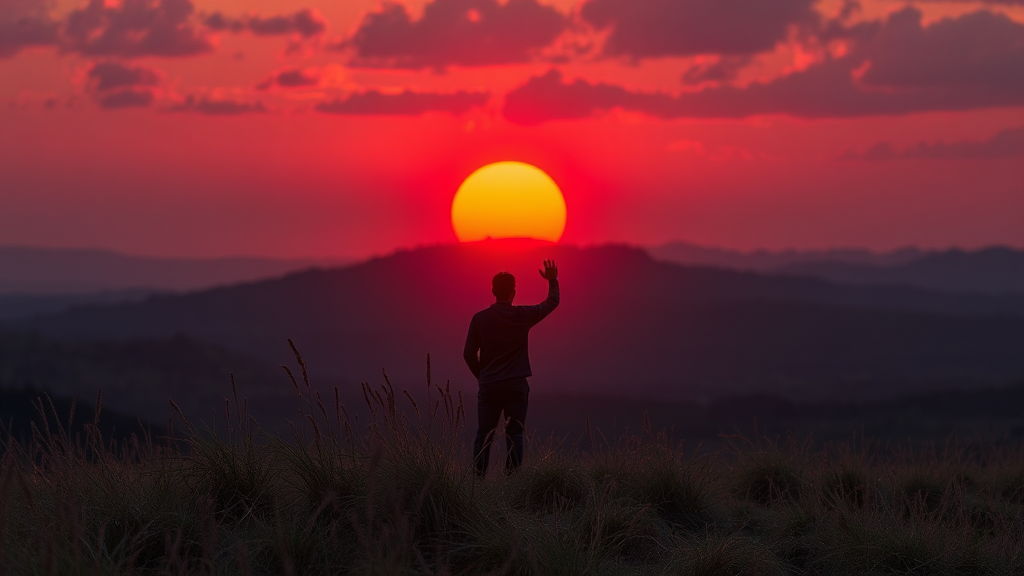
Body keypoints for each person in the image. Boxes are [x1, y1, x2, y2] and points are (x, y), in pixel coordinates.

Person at [464, 259, 559, 478]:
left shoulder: (479, 319)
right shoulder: (521, 316)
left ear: (493, 291)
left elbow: (468, 354)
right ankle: (513, 484)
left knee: (484, 435)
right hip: (516, 384)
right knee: (515, 435)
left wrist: (483, 376)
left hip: (489, 386)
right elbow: (552, 302)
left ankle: (477, 483)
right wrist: (552, 280)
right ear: (513, 292)